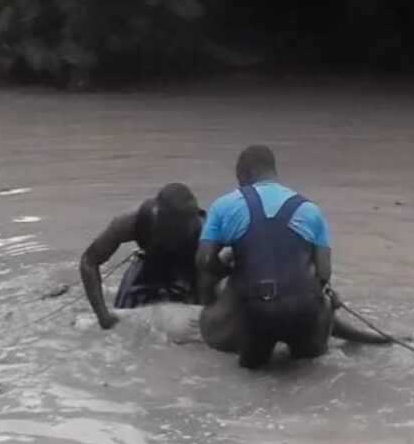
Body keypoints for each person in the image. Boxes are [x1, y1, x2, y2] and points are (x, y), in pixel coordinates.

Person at [196, 145, 390, 369]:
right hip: (303, 311)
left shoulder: (224, 205)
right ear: (273, 172)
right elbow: (323, 273)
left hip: (257, 313)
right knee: (308, 371)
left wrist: (230, 270)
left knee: (254, 373)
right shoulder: (310, 210)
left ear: (242, 174)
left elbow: (204, 261)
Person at [80, 183, 205, 329]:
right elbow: (88, 262)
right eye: (180, 226)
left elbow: (211, 273)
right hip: (151, 261)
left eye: (191, 223)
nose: (188, 229)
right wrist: (102, 316)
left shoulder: (203, 229)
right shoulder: (130, 222)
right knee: (122, 316)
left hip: (189, 263)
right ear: (160, 216)